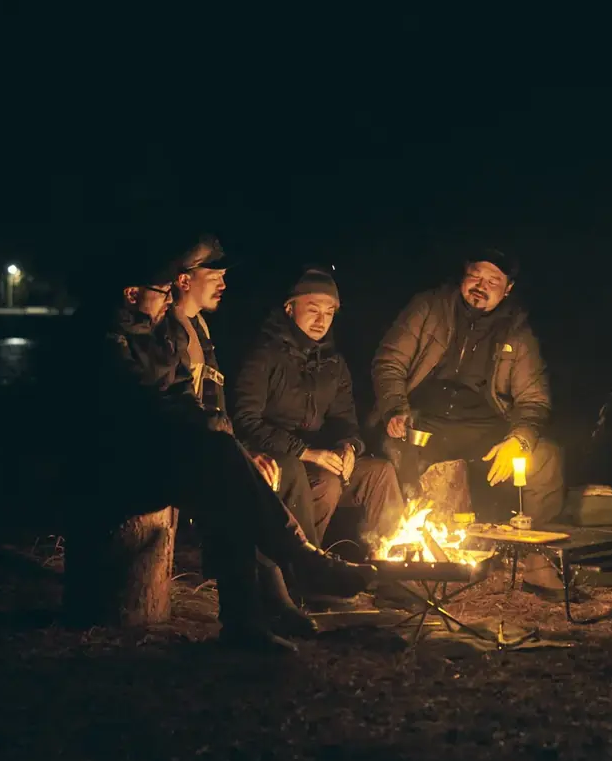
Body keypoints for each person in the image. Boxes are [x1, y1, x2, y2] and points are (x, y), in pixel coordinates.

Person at [79, 247, 376, 654]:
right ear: (132, 294)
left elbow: (182, 395)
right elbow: (142, 402)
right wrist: (212, 432)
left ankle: (256, 613)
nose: (168, 298)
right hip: (119, 464)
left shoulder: (163, 332)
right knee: (224, 466)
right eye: (162, 291)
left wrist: (216, 432)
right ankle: (295, 568)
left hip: (168, 454)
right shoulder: (108, 338)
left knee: (227, 476)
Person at [170, 234, 320, 624]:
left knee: (282, 471)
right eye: (214, 276)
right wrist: (239, 452)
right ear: (184, 280)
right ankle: (277, 591)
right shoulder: (172, 330)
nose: (224, 284)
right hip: (184, 451)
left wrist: (241, 449)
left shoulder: (199, 326)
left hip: (210, 445)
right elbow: (185, 410)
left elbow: (214, 407)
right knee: (242, 487)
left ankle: (292, 582)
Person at [371, 248, 565, 526]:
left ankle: (532, 547)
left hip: (484, 432)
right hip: (422, 424)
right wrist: (395, 408)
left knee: (545, 457)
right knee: (396, 455)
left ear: (508, 289)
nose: (481, 287)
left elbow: (534, 400)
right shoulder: (430, 308)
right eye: (476, 276)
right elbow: (390, 362)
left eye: (493, 281)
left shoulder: (517, 332)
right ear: (464, 274)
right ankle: (398, 541)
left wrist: (518, 440)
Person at [232, 268, 404, 554]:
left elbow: (345, 420)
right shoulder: (264, 355)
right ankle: (305, 566)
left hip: (321, 458)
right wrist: (305, 452)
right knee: (326, 483)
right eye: (313, 310)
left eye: (329, 312)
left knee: (379, 473)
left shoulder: (333, 364)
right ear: (290, 308)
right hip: (277, 460)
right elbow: (246, 420)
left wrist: (349, 447)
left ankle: (391, 566)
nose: (321, 321)